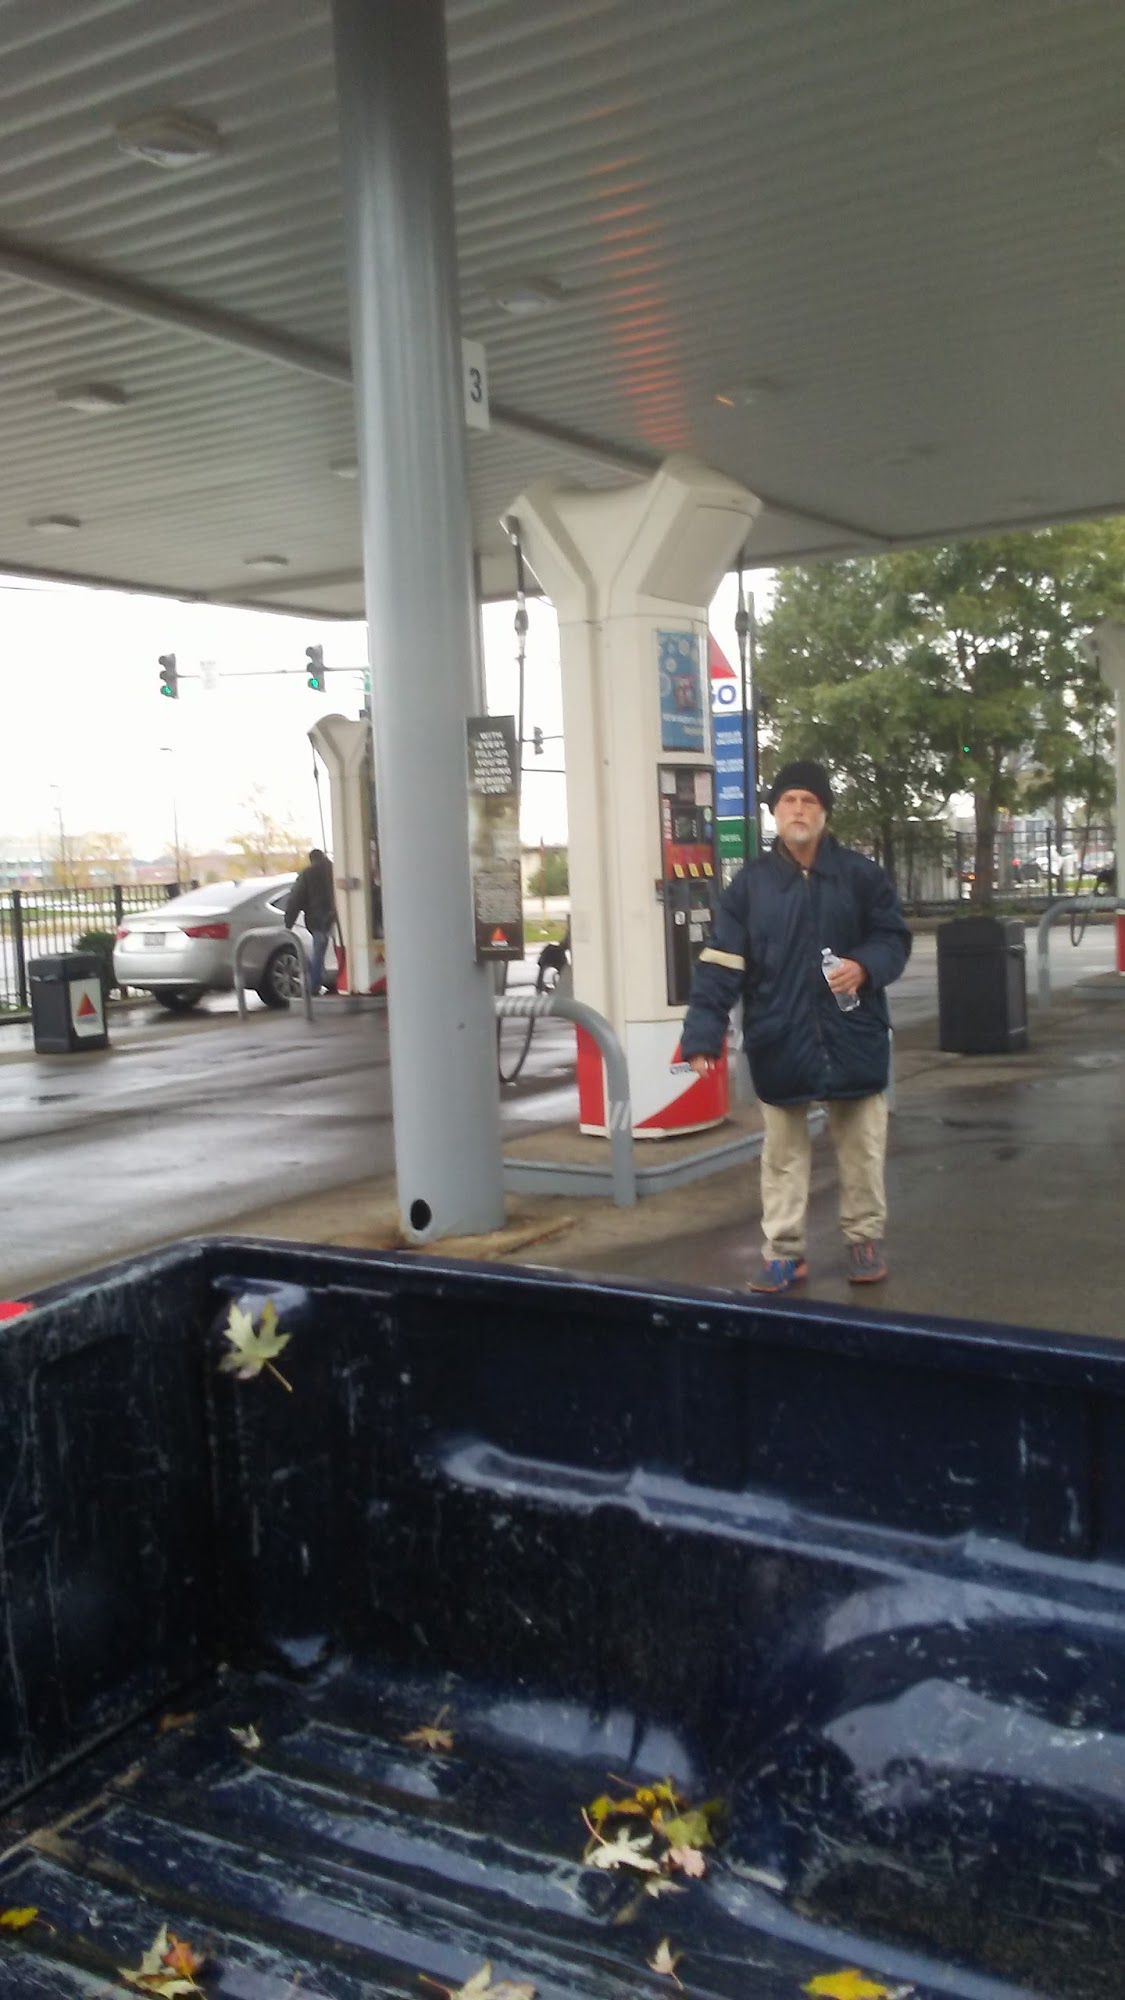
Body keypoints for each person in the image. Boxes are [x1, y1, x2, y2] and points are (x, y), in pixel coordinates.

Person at [680, 760, 911, 1293]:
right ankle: (785, 1252)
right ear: (775, 812)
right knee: (782, 1158)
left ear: (824, 812)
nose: (799, 810)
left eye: (809, 801)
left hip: (853, 1035)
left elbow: (893, 938)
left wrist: (865, 966)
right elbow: (720, 964)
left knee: (862, 1150)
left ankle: (864, 1240)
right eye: (789, 801)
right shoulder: (749, 887)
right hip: (779, 1038)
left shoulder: (861, 876)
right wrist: (702, 1034)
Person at [284, 848, 337, 996]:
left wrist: (289, 922)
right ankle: (338, 980)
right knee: (338, 950)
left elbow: (295, 899)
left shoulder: (307, 874)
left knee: (318, 952)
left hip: (318, 919)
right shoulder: (335, 870)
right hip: (336, 917)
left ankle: (314, 986)